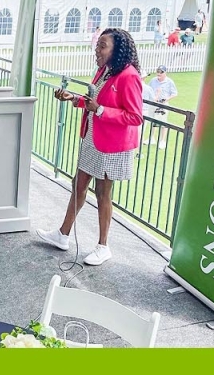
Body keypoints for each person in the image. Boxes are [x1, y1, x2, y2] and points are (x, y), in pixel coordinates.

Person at [37, 28, 145, 266]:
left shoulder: (129, 76)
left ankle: (103, 246)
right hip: (92, 137)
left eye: (102, 46)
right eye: (98, 45)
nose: (97, 50)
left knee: (103, 193)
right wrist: (73, 99)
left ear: (117, 49)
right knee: (79, 184)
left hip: (112, 145)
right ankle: (63, 234)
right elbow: (94, 102)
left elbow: (135, 117)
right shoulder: (104, 70)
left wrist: (101, 110)